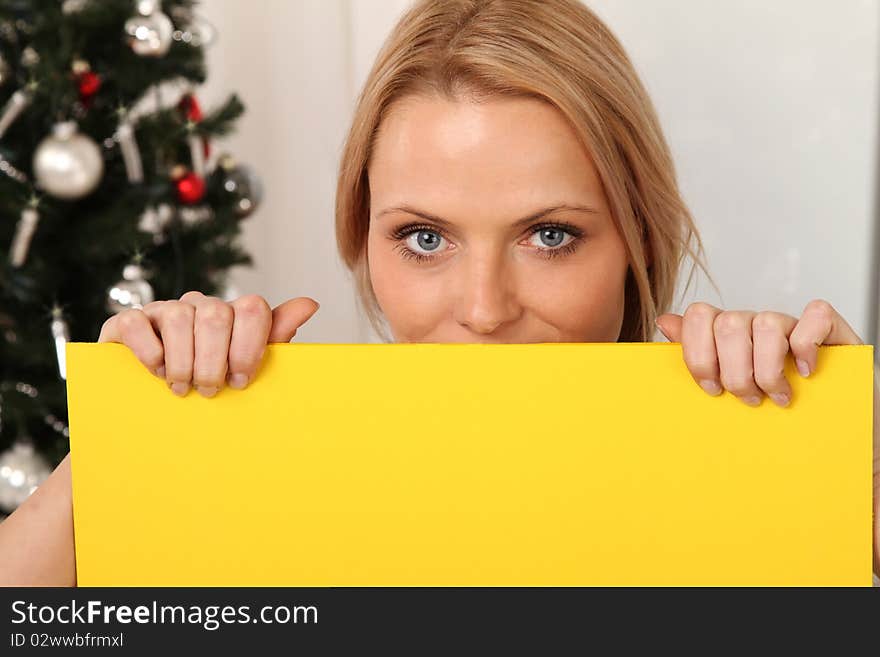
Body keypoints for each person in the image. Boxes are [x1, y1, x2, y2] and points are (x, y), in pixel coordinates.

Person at [1, 0, 876, 586]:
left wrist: (857, 478)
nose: (485, 308)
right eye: (425, 238)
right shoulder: (275, 470)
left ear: (636, 242)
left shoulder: (749, 460)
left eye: (550, 234)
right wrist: (129, 445)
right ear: (362, 237)